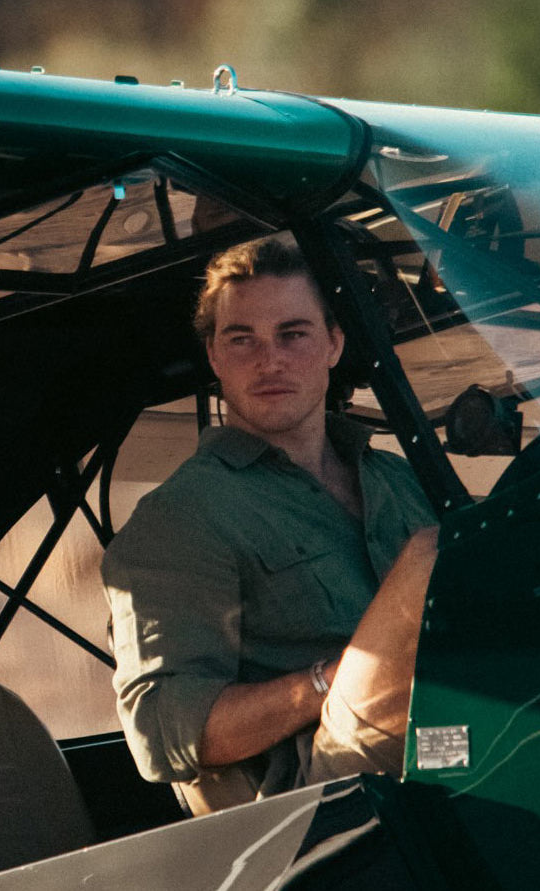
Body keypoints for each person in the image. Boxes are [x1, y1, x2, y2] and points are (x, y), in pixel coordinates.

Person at [103, 233, 440, 813]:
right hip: (320, 802)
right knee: (429, 561)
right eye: (242, 340)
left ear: (334, 344)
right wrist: (339, 678)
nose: (270, 360)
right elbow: (159, 736)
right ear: (213, 356)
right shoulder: (183, 516)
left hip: (442, 744)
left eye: (294, 334)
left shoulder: (396, 478)